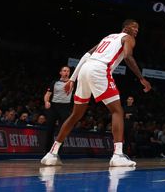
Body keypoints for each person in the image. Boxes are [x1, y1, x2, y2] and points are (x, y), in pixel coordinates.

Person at [40, 19, 152, 167]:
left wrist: (73, 79)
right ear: (125, 28)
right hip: (99, 69)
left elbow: (86, 55)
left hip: (85, 69)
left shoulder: (108, 37)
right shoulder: (128, 38)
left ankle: (51, 154)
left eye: (138, 28)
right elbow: (127, 56)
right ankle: (118, 155)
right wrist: (141, 78)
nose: (136, 30)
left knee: (75, 115)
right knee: (118, 111)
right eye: (134, 27)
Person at [43, 66, 73, 147]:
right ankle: (47, 151)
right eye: (64, 70)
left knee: (62, 131)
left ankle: (57, 151)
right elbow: (47, 94)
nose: (66, 72)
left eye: (68, 71)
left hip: (65, 108)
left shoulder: (72, 83)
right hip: (54, 107)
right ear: (60, 72)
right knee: (50, 129)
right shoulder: (54, 82)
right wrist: (46, 102)